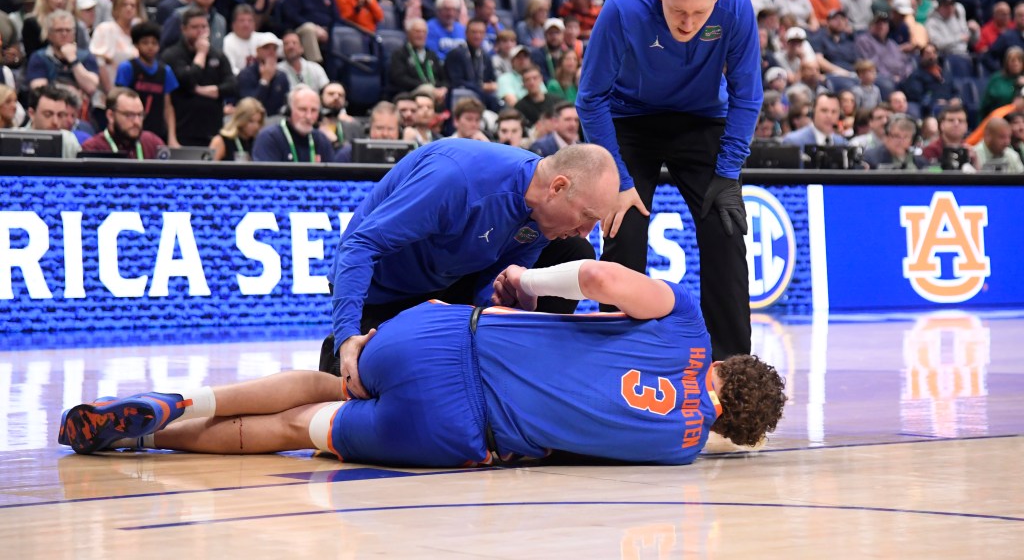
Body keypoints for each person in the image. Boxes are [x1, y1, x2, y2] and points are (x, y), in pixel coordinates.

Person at [58, 259, 787, 466]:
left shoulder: (688, 326)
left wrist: (527, 284)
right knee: (289, 429)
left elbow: (598, 281)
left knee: (329, 377)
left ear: (730, 361)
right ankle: (151, 438)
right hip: (456, 432)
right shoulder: (679, 449)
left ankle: (178, 403)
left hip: (451, 339)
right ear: (734, 432)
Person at [576, 0, 761, 361]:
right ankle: (619, 363)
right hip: (629, 118)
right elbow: (590, 99)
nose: (688, 23)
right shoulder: (623, 6)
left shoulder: (736, 5)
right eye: (678, 11)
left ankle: (732, 369)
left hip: (701, 119)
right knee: (623, 229)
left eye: (699, 13)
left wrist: (729, 172)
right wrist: (620, 183)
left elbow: (747, 94)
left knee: (725, 227)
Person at [319, 141, 621, 392]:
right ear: (558, 187)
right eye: (587, 216)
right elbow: (359, 246)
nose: (587, 229)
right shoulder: (454, 180)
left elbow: (492, 285)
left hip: (451, 279)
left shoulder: (543, 213)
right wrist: (347, 335)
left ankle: (527, 374)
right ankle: (342, 348)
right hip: (383, 291)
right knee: (368, 388)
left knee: (574, 251)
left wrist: (515, 305)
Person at [162, 7, 238, 147]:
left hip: (213, 130)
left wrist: (214, 90)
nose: (200, 31)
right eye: (195, 27)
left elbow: (232, 85)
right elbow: (188, 80)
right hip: (183, 131)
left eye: (204, 27)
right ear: (183, 29)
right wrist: (201, 54)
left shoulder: (218, 56)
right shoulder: (172, 55)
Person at [114, 21, 180, 146]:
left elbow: (168, 107)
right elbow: (119, 101)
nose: (150, 47)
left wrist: (172, 136)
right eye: (145, 42)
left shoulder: (165, 71)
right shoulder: (127, 68)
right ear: (136, 44)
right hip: (131, 129)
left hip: (157, 131)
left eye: (154, 43)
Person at [252, 85, 334, 163]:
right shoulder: (269, 137)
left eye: (314, 110)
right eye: (302, 109)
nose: (309, 116)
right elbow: (266, 176)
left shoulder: (322, 140)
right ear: (289, 111)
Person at [81, 87, 166, 159]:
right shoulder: (92, 149)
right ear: (110, 116)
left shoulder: (153, 143)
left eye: (140, 115)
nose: (136, 122)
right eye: (129, 115)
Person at [23, 85, 82, 158]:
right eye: (48, 114)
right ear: (32, 114)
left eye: (60, 115)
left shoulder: (69, 140)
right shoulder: (14, 139)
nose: (55, 122)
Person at [209, 97, 266, 162]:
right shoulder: (220, 141)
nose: (256, 126)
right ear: (241, 119)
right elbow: (208, 168)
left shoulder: (258, 142)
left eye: (259, 122)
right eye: (251, 121)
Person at [782, 92, 847, 147]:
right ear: (813, 112)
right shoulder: (793, 141)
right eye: (824, 110)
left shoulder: (843, 143)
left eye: (834, 112)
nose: (829, 116)